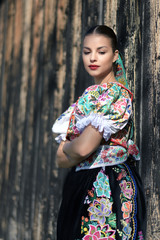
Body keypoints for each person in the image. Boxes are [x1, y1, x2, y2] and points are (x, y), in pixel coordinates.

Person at [52, 25, 146, 240]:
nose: (92, 58)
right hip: (80, 182)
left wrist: (69, 148)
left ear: (114, 56)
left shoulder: (115, 95)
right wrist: (72, 151)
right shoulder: (85, 98)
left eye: (101, 52)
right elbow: (61, 159)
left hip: (107, 182)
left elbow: (83, 147)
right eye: (87, 52)